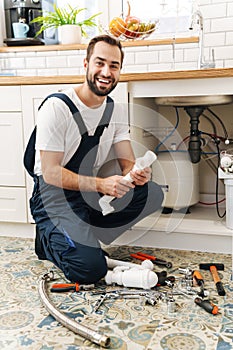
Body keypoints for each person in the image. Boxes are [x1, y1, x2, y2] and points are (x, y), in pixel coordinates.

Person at [25, 34, 164, 284]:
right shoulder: (58, 108)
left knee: (151, 194)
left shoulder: (114, 110)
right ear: (86, 63)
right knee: (89, 270)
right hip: (52, 199)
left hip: (86, 197)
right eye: (100, 63)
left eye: (114, 65)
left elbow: (127, 163)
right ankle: (49, 240)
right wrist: (101, 185)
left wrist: (138, 172)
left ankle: (82, 235)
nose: (106, 71)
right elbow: (50, 172)